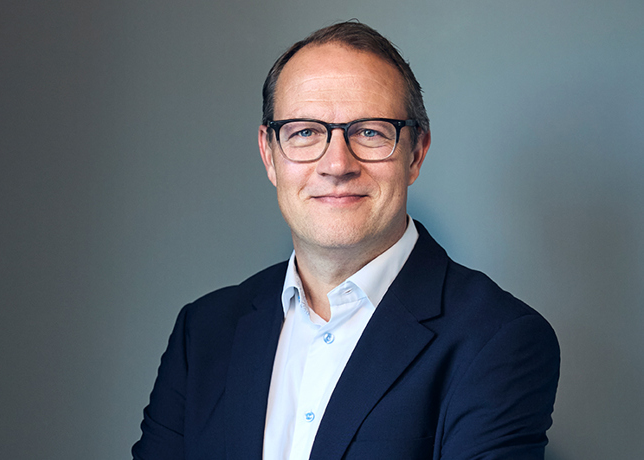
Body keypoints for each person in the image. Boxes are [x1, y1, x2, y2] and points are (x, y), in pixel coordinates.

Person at [132, 21, 560, 460]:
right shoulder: (203, 333)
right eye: (304, 132)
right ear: (269, 155)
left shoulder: (497, 340)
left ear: (415, 154)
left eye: (370, 132)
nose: (337, 164)